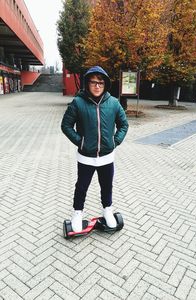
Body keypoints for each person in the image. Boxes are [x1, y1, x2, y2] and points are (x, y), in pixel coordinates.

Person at [61, 66, 129, 232]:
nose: (97, 86)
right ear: (87, 83)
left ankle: (107, 211)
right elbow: (66, 125)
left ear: (105, 84)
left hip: (107, 156)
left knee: (107, 186)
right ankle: (77, 214)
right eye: (93, 82)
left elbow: (124, 124)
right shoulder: (78, 102)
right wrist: (81, 142)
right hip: (86, 156)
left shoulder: (113, 103)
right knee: (82, 187)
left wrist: (115, 141)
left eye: (101, 82)